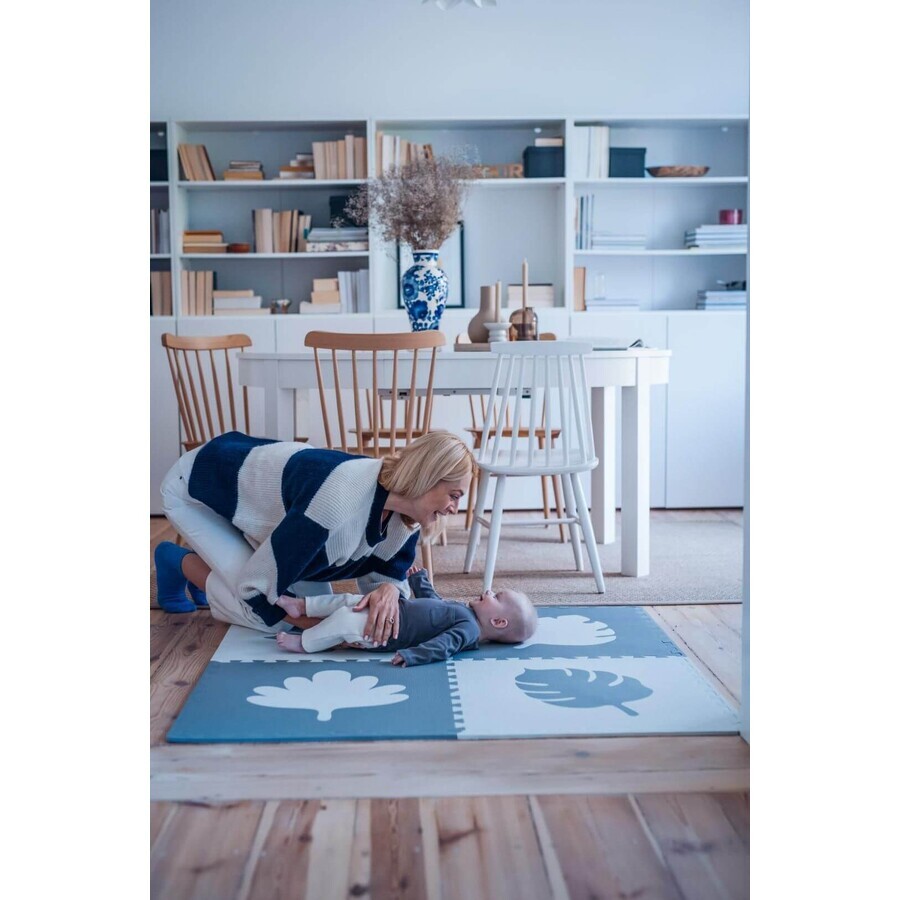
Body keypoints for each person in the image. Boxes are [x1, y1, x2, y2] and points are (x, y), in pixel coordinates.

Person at [155, 430, 475, 646]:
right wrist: (317, 630)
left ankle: (208, 572)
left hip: (256, 504)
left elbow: (385, 579)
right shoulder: (336, 500)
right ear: (428, 478)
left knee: (316, 606)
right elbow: (255, 586)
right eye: (454, 495)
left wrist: (390, 589)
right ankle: (174, 560)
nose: (454, 508)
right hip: (197, 489)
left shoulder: (407, 517)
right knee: (268, 617)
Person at [273, 565, 538, 666]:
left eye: (497, 597)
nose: (490, 591)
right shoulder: (465, 612)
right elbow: (434, 603)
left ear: (499, 622)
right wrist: (420, 582)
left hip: (383, 631)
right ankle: (303, 605)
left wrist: (412, 655)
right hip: (392, 607)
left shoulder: (468, 631)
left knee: (344, 619)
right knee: (347, 600)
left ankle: (305, 643)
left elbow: (441, 647)